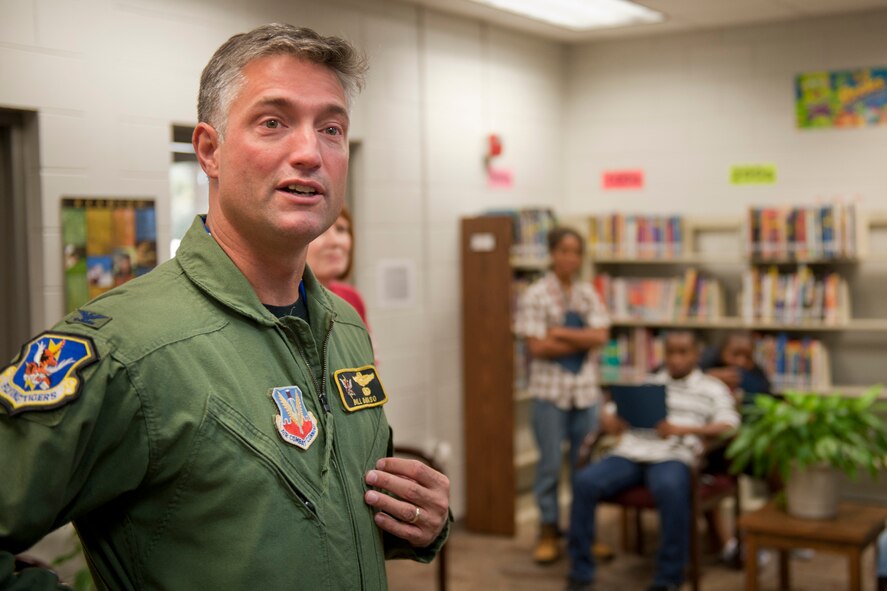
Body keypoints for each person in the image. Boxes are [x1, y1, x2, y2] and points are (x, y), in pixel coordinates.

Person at [0, 24, 449, 589]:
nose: (309, 152)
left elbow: (298, 522)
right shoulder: (125, 350)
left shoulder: (344, 326)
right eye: (273, 123)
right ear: (209, 151)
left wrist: (415, 519)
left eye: (331, 129)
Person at [566, 330, 740, 591]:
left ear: (697, 355)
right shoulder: (649, 383)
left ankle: (669, 576)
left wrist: (684, 430)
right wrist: (610, 420)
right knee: (584, 482)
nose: (677, 359)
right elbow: (611, 412)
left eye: (684, 352)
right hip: (631, 451)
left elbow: (729, 425)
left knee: (670, 488)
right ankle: (580, 570)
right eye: (671, 352)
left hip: (674, 454)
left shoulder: (712, 388)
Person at [513, 227, 610, 564]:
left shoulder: (587, 293)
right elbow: (537, 347)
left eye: (576, 251)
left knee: (585, 467)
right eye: (564, 250)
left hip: (585, 394)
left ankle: (584, 533)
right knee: (550, 466)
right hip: (549, 395)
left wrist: (559, 332)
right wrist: (581, 336)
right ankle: (548, 530)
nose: (570, 257)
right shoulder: (536, 295)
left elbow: (601, 336)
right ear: (552, 253)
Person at [306, 205, 369, 327]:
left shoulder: (351, 298)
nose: (335, 242)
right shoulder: (285, 306)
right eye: (320, 230)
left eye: (341, 229)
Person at [700, 330, 772, 408]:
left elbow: (766, 395)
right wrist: (710, 377)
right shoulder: (707, 361)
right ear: (722, 351)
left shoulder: (753, 370)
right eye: (735, 354)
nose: (741, 362)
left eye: (747, 356)